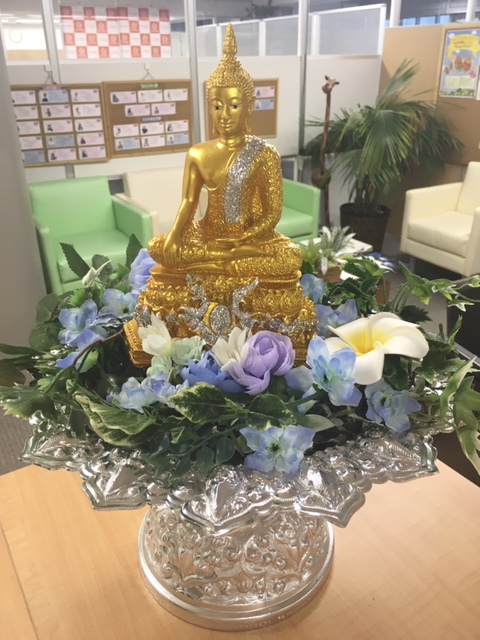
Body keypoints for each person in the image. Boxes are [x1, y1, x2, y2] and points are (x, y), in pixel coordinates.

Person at [126, 25, 315, 364]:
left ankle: (218, 261)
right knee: (157, 247)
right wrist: (176, 235)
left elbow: (273, 213)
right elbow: (189, 202)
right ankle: (218, 260)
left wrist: (245, 240)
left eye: (233, 105)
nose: (224, 115)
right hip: (208, 235)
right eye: (216, 106)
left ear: (249, 105)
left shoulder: (264, 154)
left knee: (290, 257)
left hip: (252, 241)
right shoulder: (198, 153)